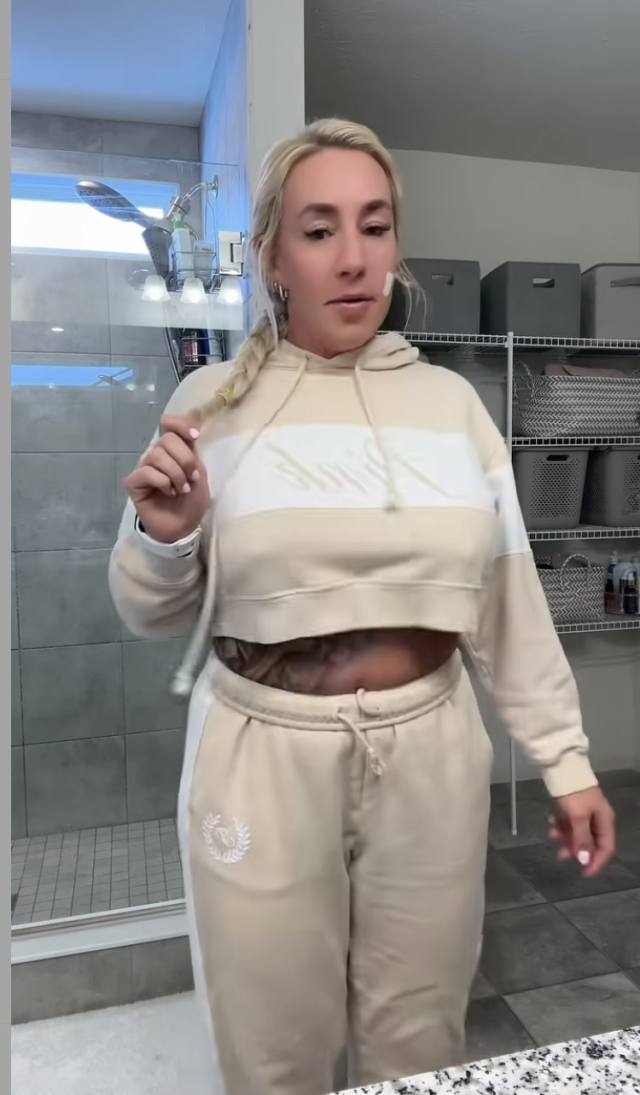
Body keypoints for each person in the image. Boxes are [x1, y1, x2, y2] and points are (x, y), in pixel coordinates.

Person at [109, 118, 615, 1095]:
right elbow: (148, 612)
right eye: (319, 229)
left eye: (374, 226)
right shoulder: (209, 405)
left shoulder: (452, 406)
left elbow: (509, 602)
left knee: (419, 1036)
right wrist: (164, 536)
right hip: (260, 754)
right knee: (272, 1043)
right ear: (273, 258)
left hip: (429, 751)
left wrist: (565, 760)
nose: (352, 257)